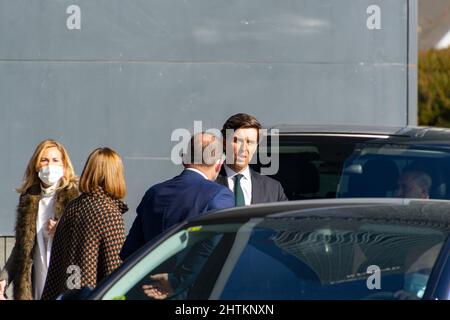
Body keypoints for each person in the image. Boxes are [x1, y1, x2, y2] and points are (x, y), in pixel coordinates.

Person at [120, 132, 234, 261]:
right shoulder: (220, 196)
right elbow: (213, 250)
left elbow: (129, 252)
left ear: (184, 160)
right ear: (219, 164)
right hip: (189, 281)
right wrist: (177, 279)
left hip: (148, 279)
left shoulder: (153, 193)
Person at [41, 147, 127, 300]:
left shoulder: (73, 207)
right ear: (115, 175)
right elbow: (115, 275)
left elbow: (57, 265)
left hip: (63, 294)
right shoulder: (109, 213)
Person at [0, 140, 78, 300]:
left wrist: (61, 229)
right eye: (44, 160)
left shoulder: (74, 198)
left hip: (64, 284)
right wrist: (4, 277)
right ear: (36, 166)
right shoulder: (29, 198)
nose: (50, 165)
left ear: (64, 165)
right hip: (34, 286)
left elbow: (82, 246)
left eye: (55, 160)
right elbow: (21, 248)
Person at [217, 113, 288, 205]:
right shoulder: (206, 183)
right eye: (238, 141)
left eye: (250, 142)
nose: (243, 148)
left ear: (256, 147)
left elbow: (284, 219)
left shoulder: (273, 189)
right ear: (224, 143)